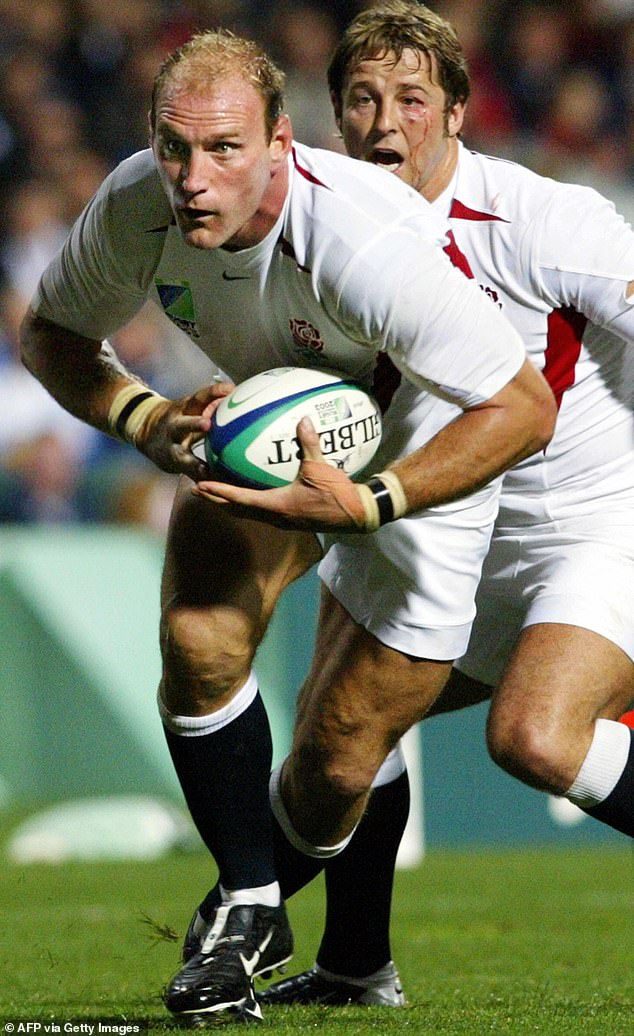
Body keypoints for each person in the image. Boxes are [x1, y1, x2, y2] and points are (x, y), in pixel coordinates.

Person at [19, 26, 554, 1023]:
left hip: (417, 446)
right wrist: (142, 416)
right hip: (273, 428)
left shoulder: (360, 241)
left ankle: (337, 951)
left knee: (337, 755)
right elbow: (51, 332)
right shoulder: (139, 203)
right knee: (196, 636)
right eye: (175, 148)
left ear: (278, 141)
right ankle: (253, 909)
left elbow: (522, 407)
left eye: (223, 149)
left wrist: (378, 500)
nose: (192, 177)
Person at [253, 1, 634, 1010]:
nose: (387, 121)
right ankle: (353, 969)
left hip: (588, 525)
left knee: (535, 737)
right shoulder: (311, 235)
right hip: (439, 522)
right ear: (333, 118)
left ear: (456, 113)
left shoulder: (548, 218)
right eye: (364, 99)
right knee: (332, 751)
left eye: (412, 98)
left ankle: (243, 915)